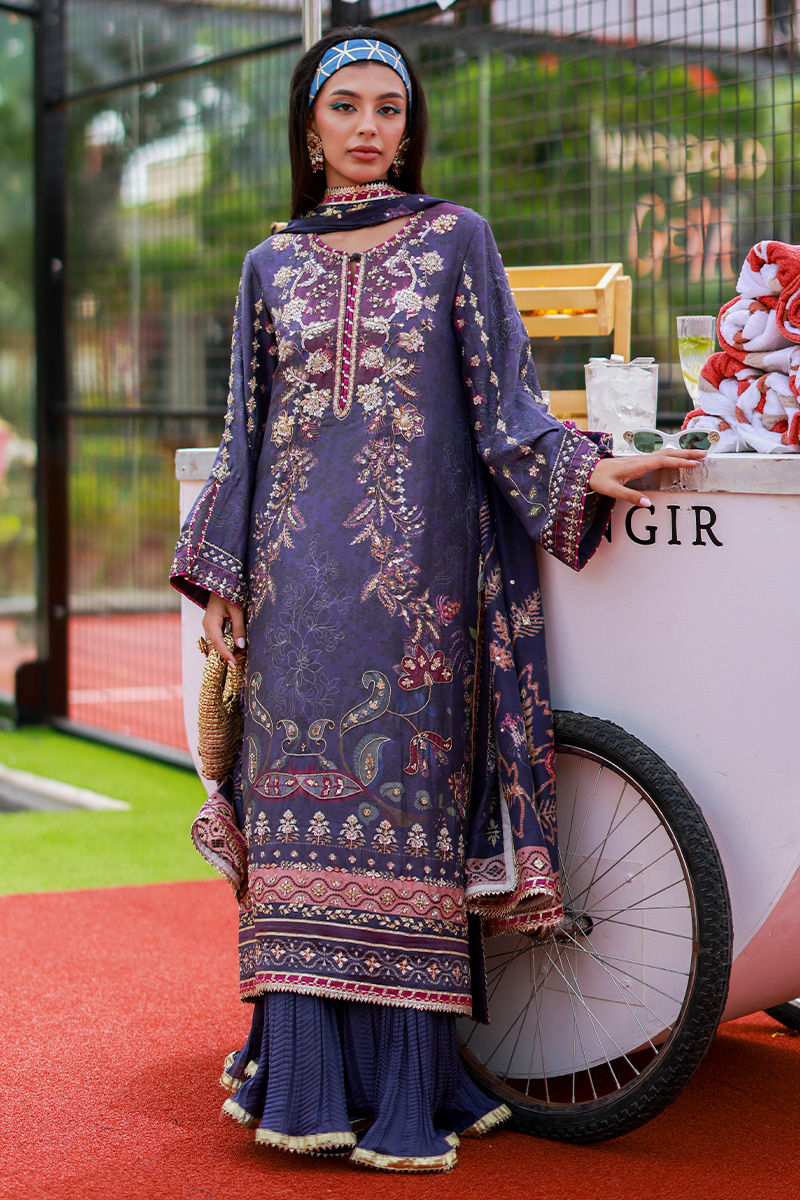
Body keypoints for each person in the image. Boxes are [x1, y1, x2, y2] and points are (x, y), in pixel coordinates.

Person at [171, 26, 705, 1173]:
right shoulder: (268, 265)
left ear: (409, 127)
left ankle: (407, 1089)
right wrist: (220, 579)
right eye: (345, 107)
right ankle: (299, 1078)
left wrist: (584, 469)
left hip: (417, 599)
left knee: (406, 824)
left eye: (388, 109)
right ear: (309, 129)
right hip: (291, 596)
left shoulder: (456, 239)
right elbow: (244, 437)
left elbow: (506, 408)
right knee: (294, 826)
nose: (368, 128)